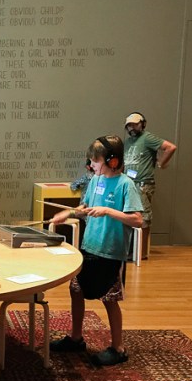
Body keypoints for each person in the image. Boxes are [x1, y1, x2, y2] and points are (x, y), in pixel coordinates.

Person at [49, 135, 144, 366]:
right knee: (76, 289)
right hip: (90, 247)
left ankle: (118, 348)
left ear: (113, 161)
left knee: (109, 298)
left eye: (96, 161)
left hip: (111, 252)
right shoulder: (95, 181)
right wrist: (69, 213)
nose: (91, 165)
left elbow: (138, 220)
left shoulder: (125, 185)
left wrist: (108, 211)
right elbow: (85, 207)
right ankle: (76, 338)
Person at [123, 112, 177, 257]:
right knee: (129, 217)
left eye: (135, 124)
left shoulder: (147, 138)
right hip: (129, 184)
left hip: (142, 184)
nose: (132, 128)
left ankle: (141, 253)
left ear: (143, 124)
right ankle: (132, 250)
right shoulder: (127, 142)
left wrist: (161, 163)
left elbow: (170, 147)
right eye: (129, 125)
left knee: (144, 218)